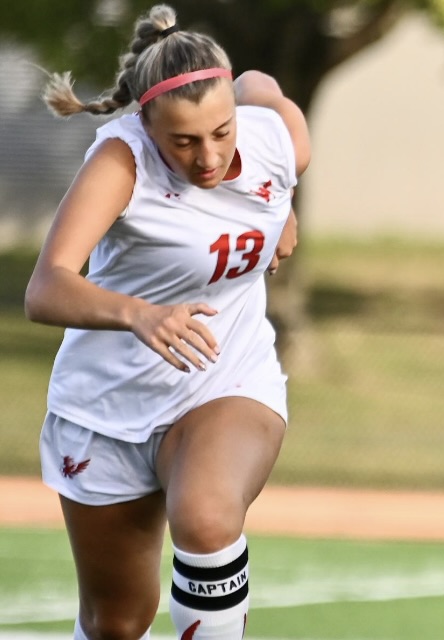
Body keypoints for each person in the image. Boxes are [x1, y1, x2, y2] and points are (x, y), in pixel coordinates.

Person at [24, 4, 310, 639]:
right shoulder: (121, 164)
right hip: (106, 409)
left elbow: (261, 86)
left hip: (223, 380)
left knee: (206, 518)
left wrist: (281, 209)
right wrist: (139, 316)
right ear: (146, 125)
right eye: (183, 141)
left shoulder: (272, 137)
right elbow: (45, 289)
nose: (208, 156)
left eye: (222, 132)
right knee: (117, 623)